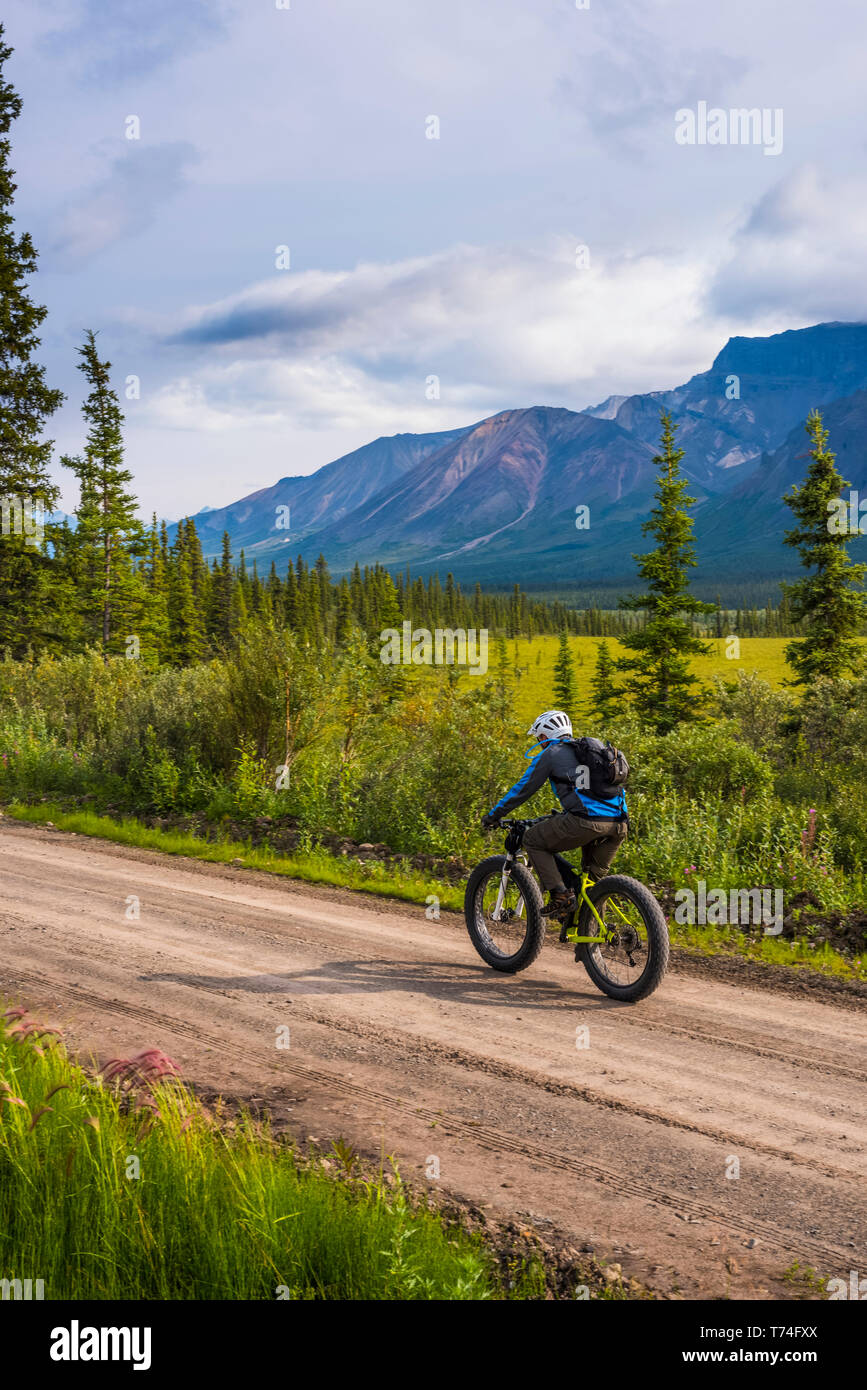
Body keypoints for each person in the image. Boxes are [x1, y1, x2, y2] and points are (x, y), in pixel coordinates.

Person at [481, 709, 627, 919]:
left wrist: (493, 816)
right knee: (591, 887)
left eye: (539, 738)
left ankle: (560, 895)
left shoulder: (551, 753)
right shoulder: (589, 751)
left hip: (586, 822)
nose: (539, 742)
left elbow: (521, 790)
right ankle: (591, 943)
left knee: (532, 839)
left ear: (544, 736)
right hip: (619, 824)